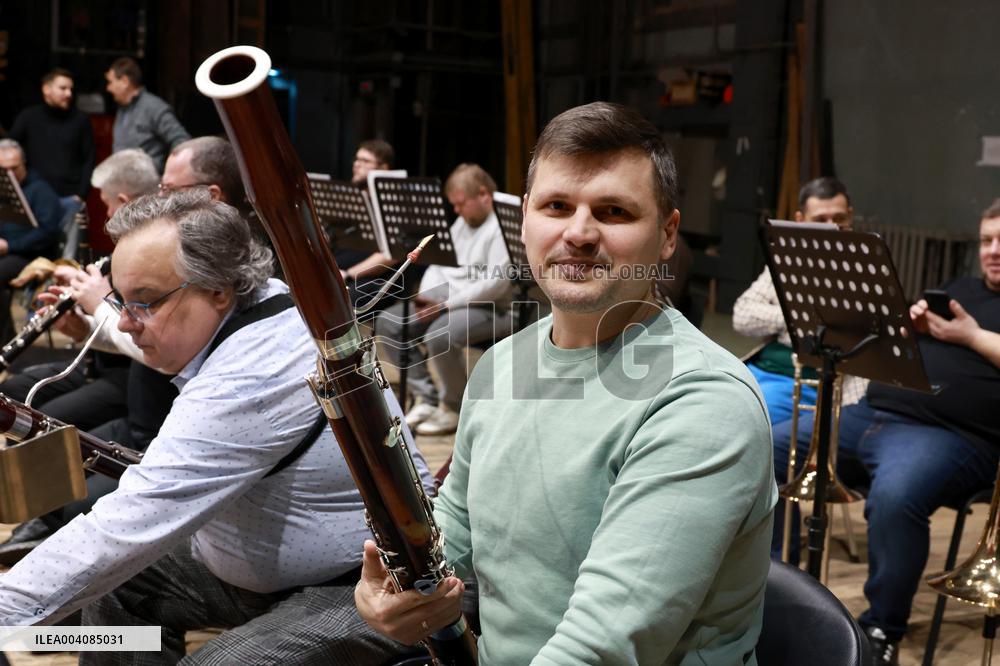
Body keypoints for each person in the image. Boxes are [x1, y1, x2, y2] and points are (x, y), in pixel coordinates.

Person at [356, 102, 775, 664]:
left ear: (668, 234)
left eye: (614, 211)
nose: (578, 233)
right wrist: (390, 595)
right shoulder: (500, 366)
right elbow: (446, 547)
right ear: (524, 218)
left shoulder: (703, 403)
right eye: (557, 206)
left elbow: (600, 648)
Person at [0, 191, 433, 665]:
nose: (124, 323)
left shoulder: (253, 376)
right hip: (249, 564)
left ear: (218, 289)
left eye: (143, 303)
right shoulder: (258, 301)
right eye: (119, 300)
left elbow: (123, 528)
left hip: (362, 583)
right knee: (115, 600)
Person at [772, 199, 1000, 664]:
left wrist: (971, 336)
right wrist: (906, 328)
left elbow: (969, 340)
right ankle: (768, 580)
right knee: (762, 446)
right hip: (871, 414)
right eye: (986, 240)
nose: (992, 251)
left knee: (896, 496)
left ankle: (881, 630)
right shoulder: (957, 288)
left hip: (948, 435)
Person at [0, 149, 163, 566]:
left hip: (136, 382)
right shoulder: (128, 244)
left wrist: (98, 304)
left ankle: (48, 523)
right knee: (20, 390)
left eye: (106, 201)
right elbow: (121, 331)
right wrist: (81, 327)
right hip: (112, 367)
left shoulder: (158, 252)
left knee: (52, 416)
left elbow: (147, 338)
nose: (102, 210)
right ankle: (37, 518)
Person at [376, 163, 512, 436]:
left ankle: (454, 406)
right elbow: (441, 263)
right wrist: (427, 295)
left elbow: (495, 285)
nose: (457, 211)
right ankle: (426, 397)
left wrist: (445, 306)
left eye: (461, 204)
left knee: (440, 334)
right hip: (450, 297)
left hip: (495, 306)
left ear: (483, 194)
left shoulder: (503, 225)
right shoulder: (464, 221)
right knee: (389, 323)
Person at [733, 176, 867, 424]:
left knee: (737, 419)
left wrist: (788, 320)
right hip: (757, 369)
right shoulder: (787, 259)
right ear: (800, 220)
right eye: (820, 221)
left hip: (808, 385)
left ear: (850, 215)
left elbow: (847, 337)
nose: (832, 228)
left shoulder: (865, 269)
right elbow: (742, 315)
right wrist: (794, 318)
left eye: (839, 219)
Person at [9, 67, 95, 243]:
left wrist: (81, 194)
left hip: (70, 199)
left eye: (71, 89)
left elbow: (89, 159)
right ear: (46, 89)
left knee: (69, 256)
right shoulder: (29, 117)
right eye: (62, 88)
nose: (68, 94)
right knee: (36, 249)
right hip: (36, 199)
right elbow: (10, 150)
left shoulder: (80, 121)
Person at [0, 139, 63, 339]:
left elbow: (47, 233)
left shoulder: (41, 189)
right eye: (3, 170)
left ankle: (6, 338)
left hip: (32, 255)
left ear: (24, 164)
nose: (10, 174)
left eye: (14, 168)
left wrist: (9, 246)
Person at [106, 57, 190, 173]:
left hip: (148, 186)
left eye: (111, 82)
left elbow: (181, 140)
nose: (108, 88)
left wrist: (168, 172)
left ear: (125, 81)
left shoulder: (154, 107)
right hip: (124, 183)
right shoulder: (122, 108)